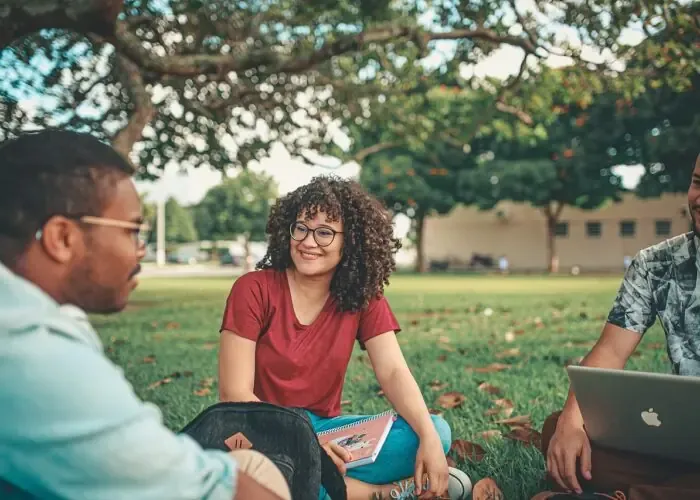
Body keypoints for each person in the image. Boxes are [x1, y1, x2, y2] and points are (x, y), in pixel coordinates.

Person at [0, 129, 290, 500]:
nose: (140, 250)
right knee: (255, 476)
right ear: (63, 238)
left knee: (250, 464)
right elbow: (213, 490)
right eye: (133, 230)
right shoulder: (32, 353)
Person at [218, 176, 472, 500]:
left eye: (324, 232)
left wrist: (429, 440)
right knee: (264, 474)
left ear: (349, 240)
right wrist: (307, 446)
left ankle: (321, 484)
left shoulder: (362, 296)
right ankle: (384, 493)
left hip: (326, 432)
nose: (308, 241)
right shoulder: (253, 289)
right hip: (261, 432)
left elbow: (393, 371)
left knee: (436, 429)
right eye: (301, 228)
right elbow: (234, 395)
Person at [536, 153, 700, 500]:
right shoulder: (656, 264)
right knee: (561, 432)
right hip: (686, 441)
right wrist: (572, 420)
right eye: (698, 183)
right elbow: (610, 351)